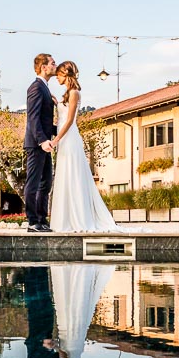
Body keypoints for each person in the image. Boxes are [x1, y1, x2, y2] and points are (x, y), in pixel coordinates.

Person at [50, 61, 122, 233]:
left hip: (69, 138)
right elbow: (62, 112)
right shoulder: (66, 94)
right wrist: (54, 101)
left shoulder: (74, 93)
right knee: (64, 174)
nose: (57, 78)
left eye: (59, 75)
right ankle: (65, 218)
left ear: (65, 74)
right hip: (64, 139)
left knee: (73, 174)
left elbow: (69, 120)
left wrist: (56, 139)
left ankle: (79, 218)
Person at [24, 53, 57, 232]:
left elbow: (44, 120)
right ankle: (32, 221)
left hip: (45, 143)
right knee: (33, 182)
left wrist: (60, 131)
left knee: (46, 183)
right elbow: (33, 118)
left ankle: (42, 219)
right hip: (37, 144)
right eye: (52, 63)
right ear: (43, 67)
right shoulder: (36, 87)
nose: (55, 65)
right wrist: (42, 140)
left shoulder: (45, 88)